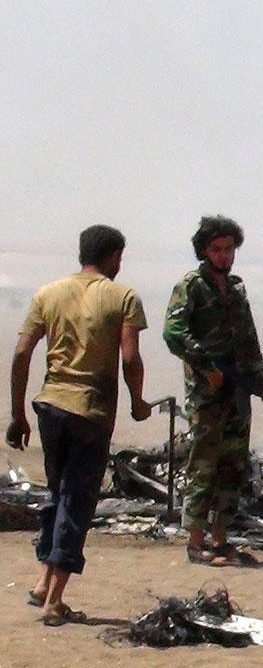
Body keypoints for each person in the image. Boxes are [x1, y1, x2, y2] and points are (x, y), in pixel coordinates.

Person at [7, 225, 150, 624]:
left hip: (50, 406)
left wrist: (17, 413)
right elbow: (130, 359)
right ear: (113, 256)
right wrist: (138, 401)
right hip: (91, 411)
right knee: (77, 502)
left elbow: (21, 353)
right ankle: (54, 601)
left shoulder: (47, 293)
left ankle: (41, 581)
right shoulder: (122, 296)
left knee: (57, 493)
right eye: (119, 258)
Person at [162, 216, 263, 566]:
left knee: (233, 466)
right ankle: (196, 542)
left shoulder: (234, 288)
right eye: (216, 249)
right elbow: (173, 333)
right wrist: (207, 367)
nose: (223, 255)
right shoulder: (192, 286)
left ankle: (221, 540)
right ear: (204, 250)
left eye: (229, 248)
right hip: (207, 395)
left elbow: (249, 340)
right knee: (203, 465)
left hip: (238, 392)